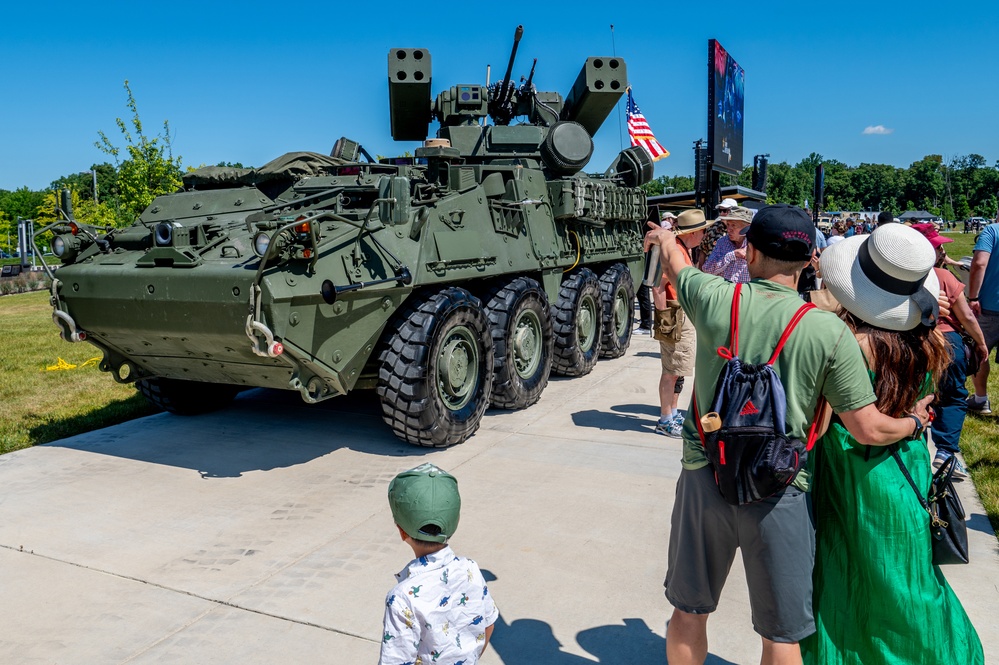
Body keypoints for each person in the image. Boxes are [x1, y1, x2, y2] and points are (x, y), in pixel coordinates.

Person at [644, 204, 934, 665]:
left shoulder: (714, 297)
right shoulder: (829, 333)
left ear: (751, 252)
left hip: (705, 474)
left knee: (688, 612)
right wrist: (916, 421)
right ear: (808, 261)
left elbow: (678, 265)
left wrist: (663, 238)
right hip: (781, 486)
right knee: (781, 636)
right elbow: (869, 428)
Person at [800, 223, 984, 664]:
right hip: (906, 463)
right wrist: (917, 422)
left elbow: (845, 422)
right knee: (906, 574)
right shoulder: (931, 338)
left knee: (846, 570)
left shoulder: (850, 344)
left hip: (853, 466)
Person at [380, 463, 498, 664]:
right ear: (455, 523)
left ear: (401, 531)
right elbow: (488, 625)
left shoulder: (402, 598)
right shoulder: (471, 568)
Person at [906, 223, 988, 480]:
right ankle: (945, 453)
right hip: (947, 342)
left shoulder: (901, 277)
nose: (942, 250)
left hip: (911, 341)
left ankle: (913, 444)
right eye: (938, 246)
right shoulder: (944, 277)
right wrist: (981, 343)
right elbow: (966, 317)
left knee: (916, 394)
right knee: (952, 397)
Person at [652, 209, 709, 437]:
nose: (704, 235)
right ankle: (665, 419)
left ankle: (672, 413)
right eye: (703, 231)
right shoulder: (675, 250)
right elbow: (657, 286)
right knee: (671, 370)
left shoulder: (681, 249)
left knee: (677, 370)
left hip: (680, 312)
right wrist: (664, 317)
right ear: (694, 233)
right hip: (675, 313)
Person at [967, 217, 999, 415]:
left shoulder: (992, 231)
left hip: (988, 306)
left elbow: (979, 264)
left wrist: (973, 297)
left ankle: (980, 399)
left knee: (980, 352)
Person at [701, 206, 753, 282]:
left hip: (745, 292)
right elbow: (707, 269)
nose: (728, 230)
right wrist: (732, 255)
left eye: (733, 225)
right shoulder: (722, 242)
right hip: (724, 292)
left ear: (746, 227)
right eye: (728, 225)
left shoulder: (756, 245)